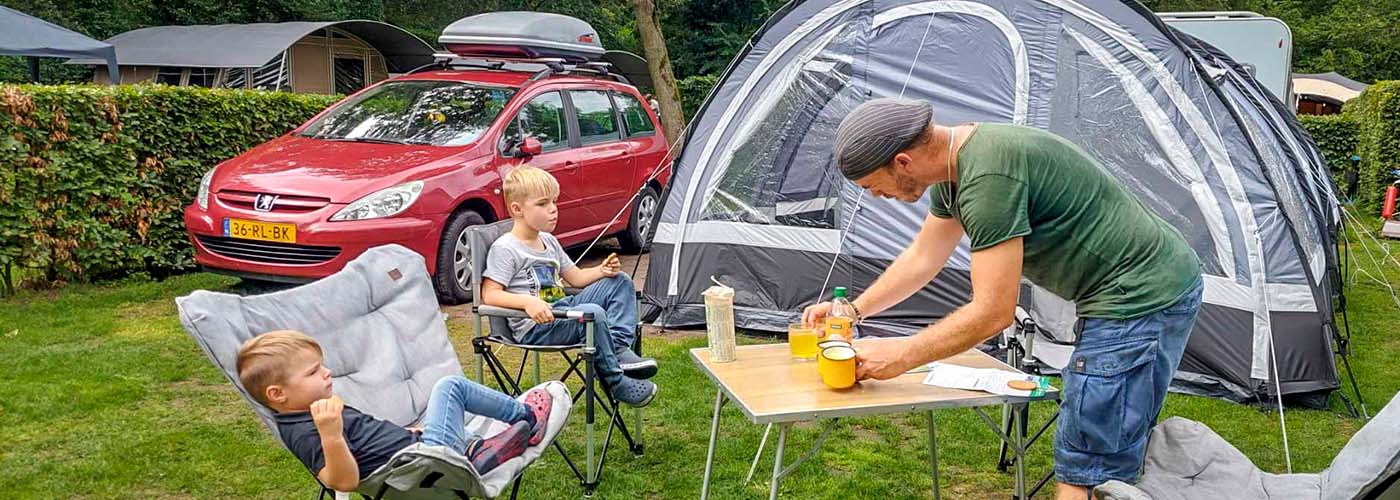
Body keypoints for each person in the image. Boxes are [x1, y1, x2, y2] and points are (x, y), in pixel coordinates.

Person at [803, 98, 1204, 500]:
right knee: (1105, 442)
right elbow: (923, 258)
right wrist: (853, 311)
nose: (875, 196)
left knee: (1090, 464)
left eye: (873, 186)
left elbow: (993, 312)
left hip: (1141, 297)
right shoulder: (955, 167)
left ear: (903, 162)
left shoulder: (990, 178)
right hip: (1127, 291)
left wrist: (903, 355)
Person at [236, 330, 553, 492]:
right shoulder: (306, 430)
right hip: (428, 466)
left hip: (417, 448)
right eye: (312, 372)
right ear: (277, 394)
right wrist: (331, 436)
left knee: (439, 417)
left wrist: (408, 434)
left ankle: (477, 449)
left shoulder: (313, 410)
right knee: (450, 387)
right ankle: (525, 417)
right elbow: (342, 483)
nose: (327, 372)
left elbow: (369, 437)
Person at [481, 165, 659, 407]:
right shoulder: (506, 248)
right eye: (543, 204)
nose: (553, 210)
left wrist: (601, 272)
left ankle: (617, 348)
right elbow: (489, 295)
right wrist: (528, 302)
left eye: (554, 202)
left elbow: (575, 278)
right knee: (591, 314)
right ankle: (616, 382)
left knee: (620, 282)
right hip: (537, 327)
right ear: (517, 209)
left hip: (564, 310)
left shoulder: (549, 241)